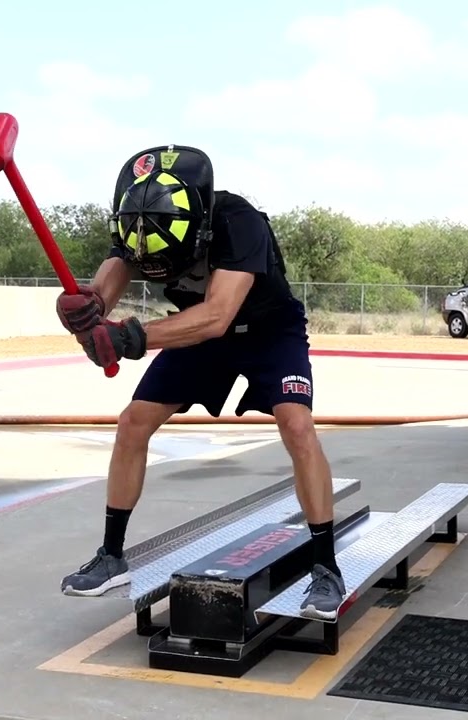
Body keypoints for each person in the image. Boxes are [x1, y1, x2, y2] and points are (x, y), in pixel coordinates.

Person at [54, 144, 346, 620]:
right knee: (133, 423)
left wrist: (130, 338)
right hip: (200, 331)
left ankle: (326, 568)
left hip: (267, 331)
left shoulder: (238, 220)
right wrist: (87, 314)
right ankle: (111, 556)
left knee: (297, 426)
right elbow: (104, 288)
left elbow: (216, 315)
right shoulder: (142, 223)